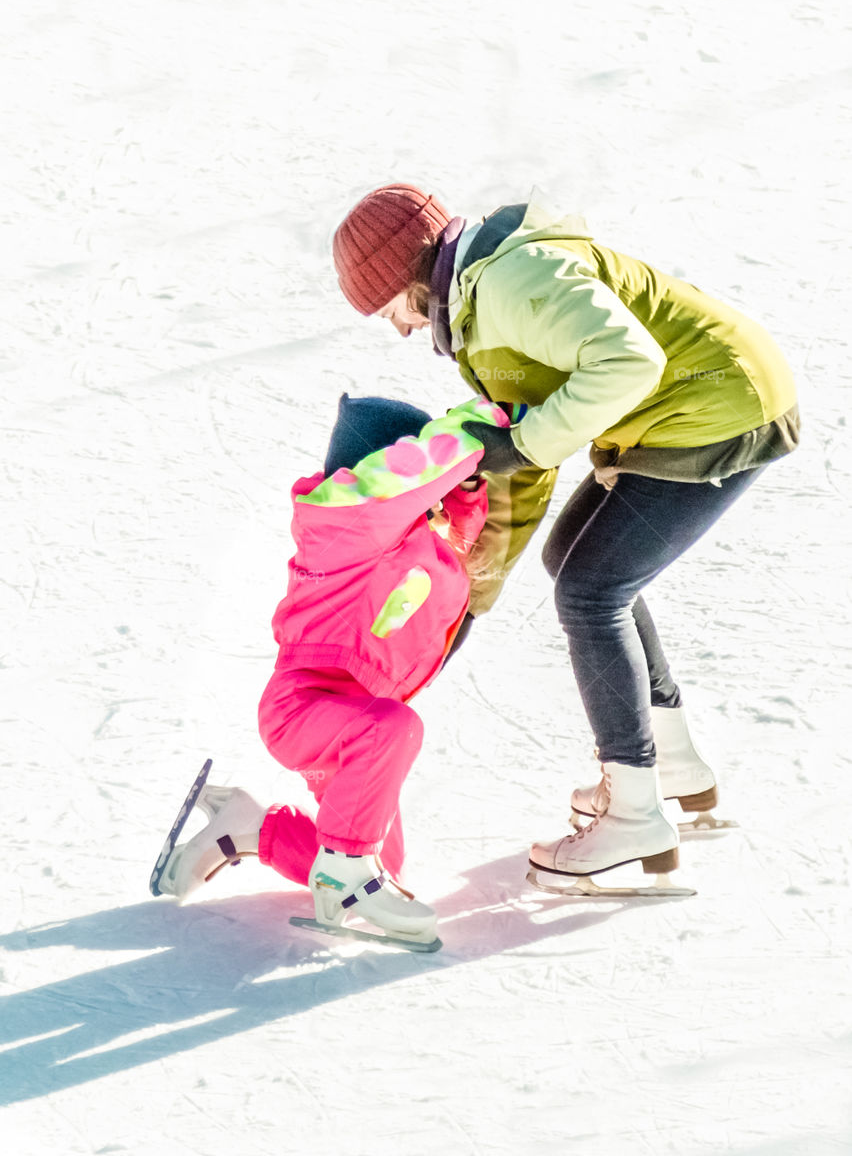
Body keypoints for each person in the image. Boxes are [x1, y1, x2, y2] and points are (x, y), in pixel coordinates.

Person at [331, 184, 799, 888]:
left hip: (718, 406)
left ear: (408, 276)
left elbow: (627, 363)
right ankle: (669, 761)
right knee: (573, 561)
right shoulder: (485, 307)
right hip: (694, 406)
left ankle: (636, 811)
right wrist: (469, 596)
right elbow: (525, 460)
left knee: (592, 592)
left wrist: (525, 445)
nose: (398, 328)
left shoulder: (512, 285)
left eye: (387, 308)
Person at [153, 392, 507, 946]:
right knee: (391, 735)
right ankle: (346, 869)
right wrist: (479, 432)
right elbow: (406, 479)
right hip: (307, 709)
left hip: (352, 718)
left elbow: (445, 543)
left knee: (385, 867)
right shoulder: (339, 524)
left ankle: (252, 829)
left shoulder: (400, 534)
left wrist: (463, 492)